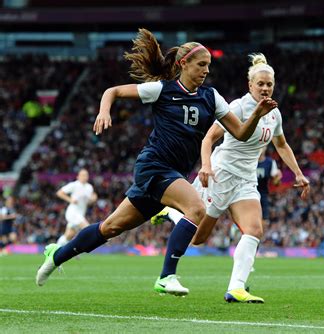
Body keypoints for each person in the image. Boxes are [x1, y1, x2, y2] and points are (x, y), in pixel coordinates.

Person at [35, 29, 278, 295]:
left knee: (110, 227)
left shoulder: (212, 98)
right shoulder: (162, 90)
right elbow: (112, 91)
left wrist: (256, 114)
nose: (206, 70)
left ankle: (57, 255)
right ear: (183, 64)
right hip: (154, 166)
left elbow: (241, 134)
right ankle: (166, 276)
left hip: (172, 173)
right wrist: (104, 111)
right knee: (196, 208)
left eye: (208, 66)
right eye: (201, 65)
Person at [153, 53, 309, 303]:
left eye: (269, 84)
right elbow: (208, 139)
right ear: (250, 85)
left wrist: (299, 174)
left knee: (254, 229)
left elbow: (281, 144)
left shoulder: (274, 114)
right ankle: (170, 212)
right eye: (260, 84)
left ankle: (236, 288)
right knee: (198, 238)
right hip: (221, 174)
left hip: (246, 180)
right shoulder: (238, 107)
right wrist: (206, 166)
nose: (265, 88)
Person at [55, 169, 97, 247]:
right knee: (87, 228)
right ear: (78, 176)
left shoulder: (89, 187)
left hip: (81, 213)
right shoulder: (74, 185)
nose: (85, 177)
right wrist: (70, 200)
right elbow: (59, 193)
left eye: (86, 175)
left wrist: (93, 199)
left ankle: (56, 248)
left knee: (69, 235)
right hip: (73, 213)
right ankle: (78, 248)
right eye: (83, 175)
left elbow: (91, 200)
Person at [256, 147, 282, 224]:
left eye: (262, 146)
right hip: (249, 193)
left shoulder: (270, 162)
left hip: (263, 194)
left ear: (266, 147)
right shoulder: (250, 160)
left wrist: (278, 178)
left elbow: (276, 183)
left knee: (264, 220)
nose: (260, 148)